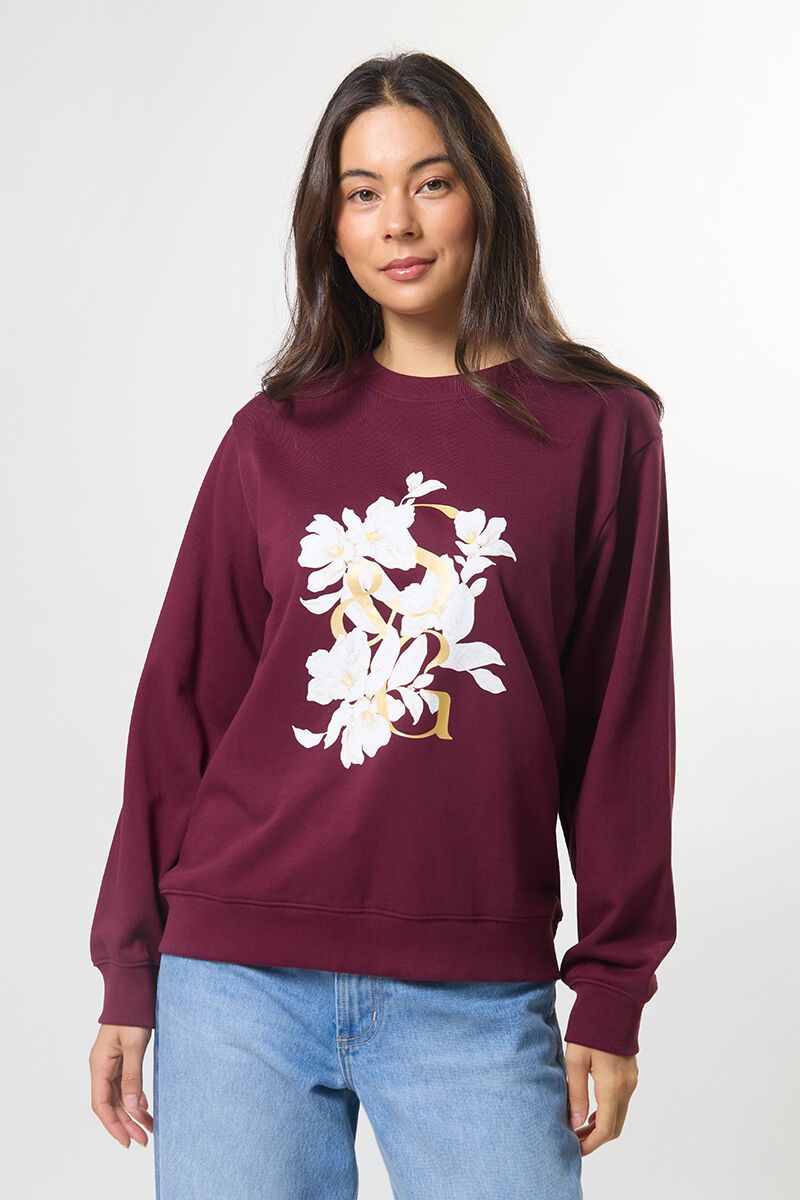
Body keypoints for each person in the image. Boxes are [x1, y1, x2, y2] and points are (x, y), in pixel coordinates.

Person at [88, 50, 677, 1199]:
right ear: (331, 223)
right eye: (362, 193)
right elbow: (181, 711)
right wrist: (128, 968)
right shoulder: (272, 436)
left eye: (430, 183)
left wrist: (611, 986)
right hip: (236, 982)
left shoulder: (600, 432)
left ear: (484, 197)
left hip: (473, 995)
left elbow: (621, 726)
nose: (395, 223)